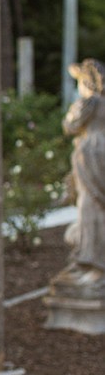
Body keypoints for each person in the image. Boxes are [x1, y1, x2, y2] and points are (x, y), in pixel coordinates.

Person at [61, 58, 105, 286]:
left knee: (90, 207)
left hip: (92, 155)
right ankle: (89, 262)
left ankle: (95, 264)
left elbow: (70, 125)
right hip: (99, 155)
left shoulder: (89, 103)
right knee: (94, 207)